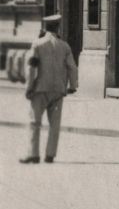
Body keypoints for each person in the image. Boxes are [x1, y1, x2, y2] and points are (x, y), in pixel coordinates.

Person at [21, 14, 78, 164]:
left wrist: (29, 87)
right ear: (58, 27)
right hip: (58, 90)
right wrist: (72, 86)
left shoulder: (37, 44)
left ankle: (33, 154)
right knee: (55, 124)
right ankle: (50, 155)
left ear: (45, 28)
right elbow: (72, 67)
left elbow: (31, 68)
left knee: (34, 122)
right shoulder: (64, 46)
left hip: (40, 89)